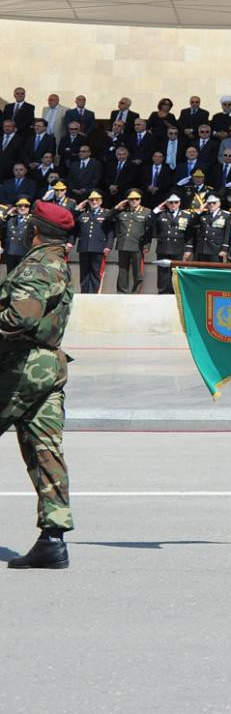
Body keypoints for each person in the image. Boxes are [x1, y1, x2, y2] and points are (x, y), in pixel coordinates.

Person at [0, 199, 78, 568]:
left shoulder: (36, 266)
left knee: (44, 449)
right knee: (45, 449)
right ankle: (53, 538)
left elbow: (21, 317)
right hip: (48, 368)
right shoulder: (59, 263)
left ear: (33, 230)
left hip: (20, 369)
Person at [109, 192, 152, 294]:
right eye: (131, 199)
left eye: (136, 199)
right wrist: (117, 207)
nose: (133, 201)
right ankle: (122, 291)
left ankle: (136, 292)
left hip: (137, 245)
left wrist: (147, 245)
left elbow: (149, 230)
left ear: (140, 200)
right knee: (122, 270)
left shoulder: (146, 212)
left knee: (137, 271)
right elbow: (108, 216)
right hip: (123, 244)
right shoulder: (122, 211)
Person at [73, 191, 110, 294]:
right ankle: (84, 293)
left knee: (95, 272)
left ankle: (93, 293)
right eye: (92, 200)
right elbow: (72, 222)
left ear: (101, 201)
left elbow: (110, 231)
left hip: (98, 247)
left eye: (96, 200)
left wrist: (108, 246)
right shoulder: (83, 213)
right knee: (84, 272)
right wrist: (76, 209)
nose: (94, 202)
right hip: (84, 247)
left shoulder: (106, 213)